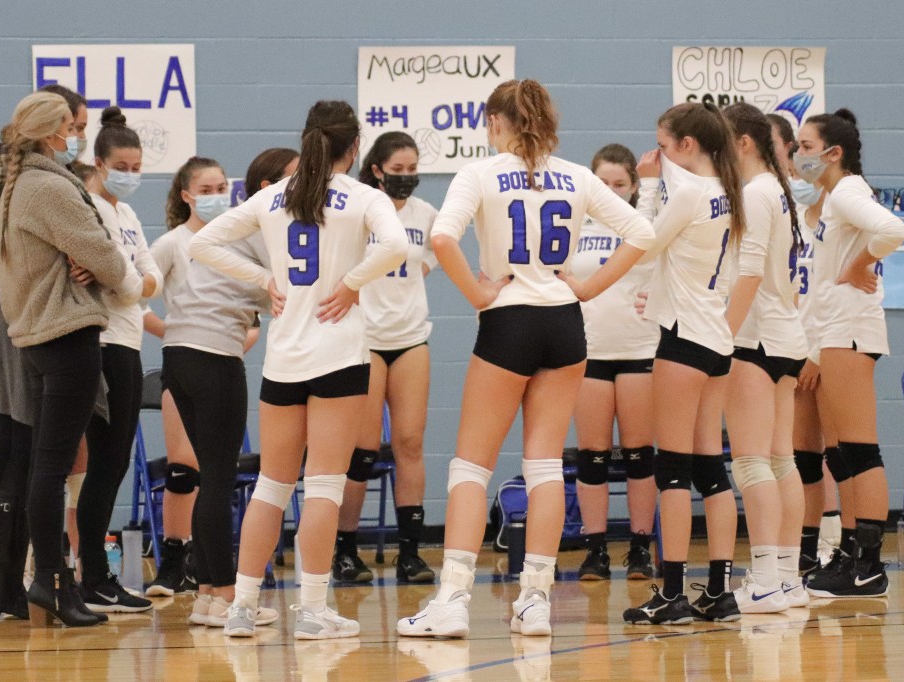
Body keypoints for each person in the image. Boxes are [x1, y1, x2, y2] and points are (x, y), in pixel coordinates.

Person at [397, 79, 653, 639]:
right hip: (565, 323)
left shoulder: (481, 172)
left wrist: (479, 293)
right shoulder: (577, 175)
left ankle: (453, 600)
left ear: (496, 122)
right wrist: (586, 288)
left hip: (509, 319)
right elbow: (641, 232)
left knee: (470, 465)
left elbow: (442, 240)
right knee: (543, 466)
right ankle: (535, 599)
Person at [190, 100, 407, 639]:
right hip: (338, 358)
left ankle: (241, 607)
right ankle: (312, 609)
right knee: (325, 486)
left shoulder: (271, 197)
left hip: (283, 361)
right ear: (354, 147)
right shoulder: (363, 197)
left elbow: (202, 241)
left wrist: (265, 279)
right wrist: (354, 283)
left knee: (271, 487)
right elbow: (398, 244)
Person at [0, 91, 144, 627]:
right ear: (53, 131)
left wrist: (85, 259)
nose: (75, 135)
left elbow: (88, 253)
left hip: (41, 336)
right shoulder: (50, 185)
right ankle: (53, 581)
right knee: (52, 465)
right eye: (70, 127)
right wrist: (106, 268)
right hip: (66, 334)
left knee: (49, 463)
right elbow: (106, 254)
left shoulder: (22, 182)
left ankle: (56, 581)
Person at [622, 102, 746, 625]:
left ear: (687, 146)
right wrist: (662, 293)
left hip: (685, 342)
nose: (658, 154)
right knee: (709, 468)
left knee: (670, 469)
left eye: (664, 145)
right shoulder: (729, 192)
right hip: (716, 339)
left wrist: (648, 184)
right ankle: (718, 591)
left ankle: (672, 592)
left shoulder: (691, 190)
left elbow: (645, 245)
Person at [0, 84, 88, 620]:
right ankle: (4, 583)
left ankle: (1, 583)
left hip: (11, 309)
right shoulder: (20, 175)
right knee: (24, 447)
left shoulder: (6, 165)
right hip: (20, 313)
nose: (77, 136)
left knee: (18, 445)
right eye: (73, 125)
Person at [797, 109, 904, 598]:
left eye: (805, 146)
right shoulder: (832, 196)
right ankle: (850, 557)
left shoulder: (847, 190)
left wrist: (860, 263)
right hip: (834, 331)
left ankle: (869, 566)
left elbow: (892, 232)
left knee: (861, 451)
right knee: (842, 452)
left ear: (832, 153)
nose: (799, 156)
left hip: (853, 330)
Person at [331, 132, 439, 585]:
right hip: (366, 338)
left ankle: (410, 553)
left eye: (412, 169)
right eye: (397, 170)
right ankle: (345, 550)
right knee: (363, 449)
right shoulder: (358, 210)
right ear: (376, 169)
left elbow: (426, 262)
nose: (406, 178)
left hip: (411, 336)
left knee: (410, 443)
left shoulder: (426, 215)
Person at [721, 102, 809, 613]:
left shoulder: (754, 192)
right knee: (781, 460)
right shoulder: (775, 190)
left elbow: (749, 274)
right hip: (784, 338)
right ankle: (786, 577)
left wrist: (721, 337)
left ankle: (765, 581)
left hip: (754, 341)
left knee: (752, 461)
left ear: (743, 144)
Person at [77, 107, 162, 614]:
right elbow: (127, 280)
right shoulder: (87, 207)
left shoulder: (127, 215)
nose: (131, 175)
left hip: (130, 344)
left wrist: (128, 280)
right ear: (100, 162)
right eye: (123, 166)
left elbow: (148, 279)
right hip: (102, 343)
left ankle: (98, 575)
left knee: (114, 464)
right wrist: (129, 281)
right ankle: (92, 574)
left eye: (138, 166)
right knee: (99, 465)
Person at [571, 144, 658, 581]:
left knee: (641, 456)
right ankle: (595, 550)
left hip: (640, 349)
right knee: (593, 458)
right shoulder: (572, 225)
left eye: (619, 184)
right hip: (590, 352)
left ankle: (641, 549)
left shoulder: (644, 225)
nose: (609, 191)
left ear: (634, 187)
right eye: (602, 183)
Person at [142, 156, 228, 598]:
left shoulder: (236, 242)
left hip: (223, 359)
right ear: (187, 195)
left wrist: (241, 336)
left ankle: (205, 565)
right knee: (184, 466)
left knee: (216, 470)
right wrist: (171, 332)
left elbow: (252, 313)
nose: (216, 197)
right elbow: (135, 297)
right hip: (183, 359)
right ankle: (172, 561)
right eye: (207, 190)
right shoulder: (172, 244)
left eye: (221, 188)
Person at [767, 114, 845, 574]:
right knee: (800, 458)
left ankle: (843, 545)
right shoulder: (771, 208)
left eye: (799, 148)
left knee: (842, 455)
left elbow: (834, 293)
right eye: (790, 150)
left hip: (826, 346)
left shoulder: (834, 209)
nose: (794, 159)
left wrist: (815, 351)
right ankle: (805, 548)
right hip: (786, 346)